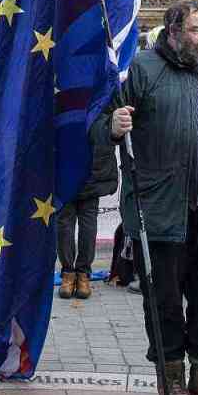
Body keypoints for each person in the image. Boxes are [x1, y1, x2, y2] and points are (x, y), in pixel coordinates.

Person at [96, 0, 198, 395]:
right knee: (164, 299)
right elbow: (106, 116)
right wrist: (115, 126)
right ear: (174, 32)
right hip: (164, 207)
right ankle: (171, 378)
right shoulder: (146, 68)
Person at [59, 114, 119, 300]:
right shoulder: (103, 90)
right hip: (74, 162)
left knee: (78, 223)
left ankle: (77, 274)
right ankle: (74, 274)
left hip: (84, 164)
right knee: (68, 224)